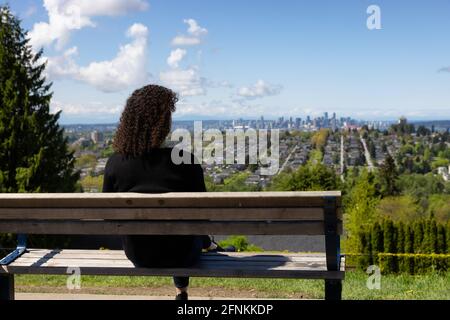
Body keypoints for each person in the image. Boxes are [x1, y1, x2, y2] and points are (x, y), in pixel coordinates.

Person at [102, 84, 224, 300]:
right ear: (163, 124)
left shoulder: (115, 163)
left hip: (139, 254)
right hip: (183, 255)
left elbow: (108, 215)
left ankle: (183, 286)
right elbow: (203, 216)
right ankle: (183, 287)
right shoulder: (185, 161)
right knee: (183, 233)